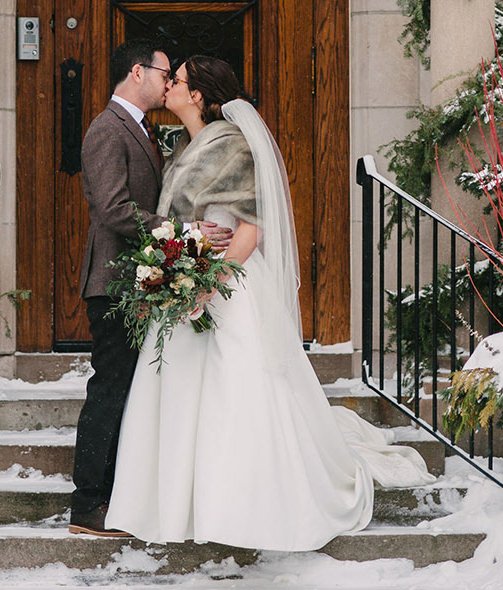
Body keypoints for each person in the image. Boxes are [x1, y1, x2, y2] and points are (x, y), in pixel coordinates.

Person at [105, 56, 432, 551]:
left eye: (179, 81)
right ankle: (178, 505)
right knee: (178, 397)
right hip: (187, 286)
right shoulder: (179, 147)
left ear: (197, 96)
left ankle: (242, 504)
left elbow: (252, 230)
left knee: (235, 394)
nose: (169, 86)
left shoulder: (234, 146)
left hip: (227, 285)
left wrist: (210, 282)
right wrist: (178, 273)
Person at [68, 40, 230, 537]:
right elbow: (114, 210)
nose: (168, 82)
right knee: (110, 388)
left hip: (136, 282)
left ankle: (117, 497)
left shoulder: (141, 129)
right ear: (137, 73)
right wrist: (181, 233)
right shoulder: (105, 129)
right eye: (164, 73)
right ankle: (88, 503)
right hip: (113, 282)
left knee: (127, 391)